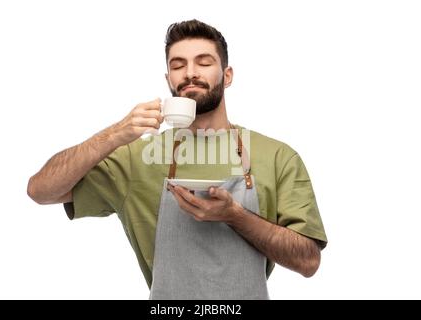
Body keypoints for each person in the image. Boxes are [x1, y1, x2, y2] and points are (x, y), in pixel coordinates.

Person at [27, 19, 327, 300]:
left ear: (227, 75)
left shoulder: (276, 157)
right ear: (168, 78)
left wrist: (234, 215)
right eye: (178, 65)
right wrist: (116, 133)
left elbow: (308, 261)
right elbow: (41, 191)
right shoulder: (138, 157)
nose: (190, 73)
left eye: (204, 62)